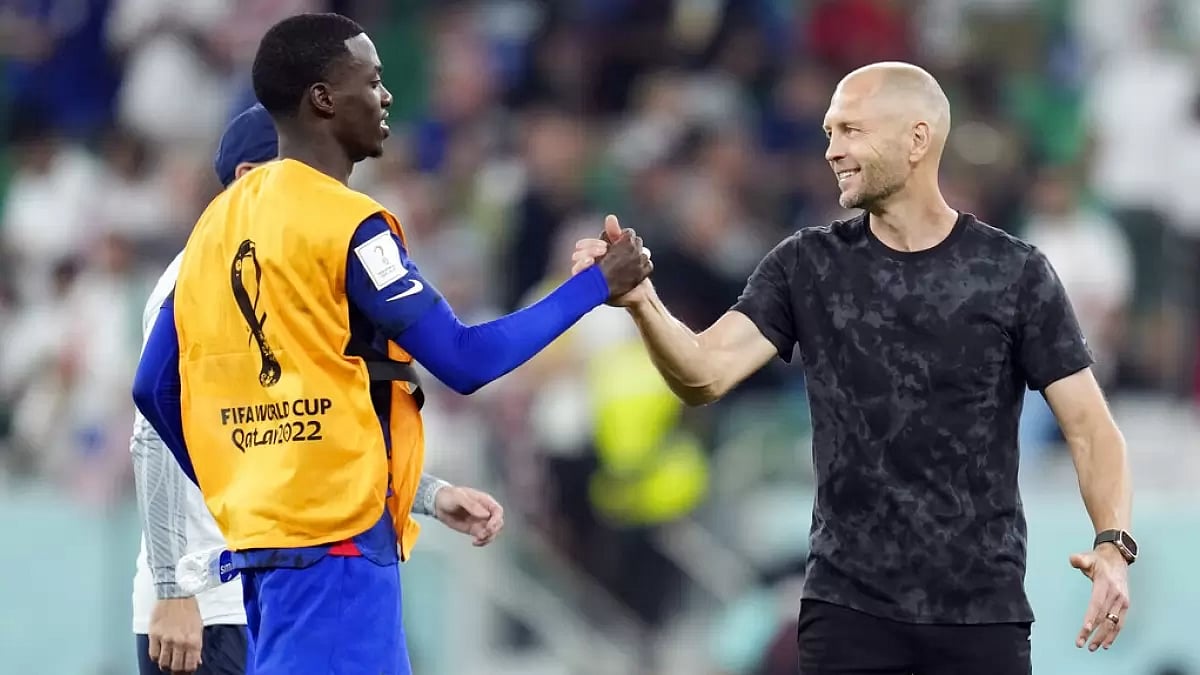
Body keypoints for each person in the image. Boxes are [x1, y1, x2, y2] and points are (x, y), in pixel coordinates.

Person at [573, 61, 1135, 675]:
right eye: (829, 133)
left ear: (916, 140)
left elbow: (1091, 428)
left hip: (980, 617)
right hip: (848, 614)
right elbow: (704, 375)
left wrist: (1113, 546)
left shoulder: (1014, 273)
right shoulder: (806, 265)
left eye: (851, 130)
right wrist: (641, 301)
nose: (832, 150)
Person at [132, 12, 651, 675]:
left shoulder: (213, 228)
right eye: (372, 81)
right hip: (337, 551)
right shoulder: (346, 223)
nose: (387, 96)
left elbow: (154, 387)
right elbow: (465, 359)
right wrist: (595, 285)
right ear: (324, 99)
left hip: (270, 551)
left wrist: (249, 475)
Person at [131, 102, 507, 675]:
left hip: (273, 578)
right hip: (210, 602)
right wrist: (173, 588)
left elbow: (305, 436)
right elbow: (151, 435)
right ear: (250, 177)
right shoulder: (195, 278)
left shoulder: (287, 273)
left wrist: (426, 494)